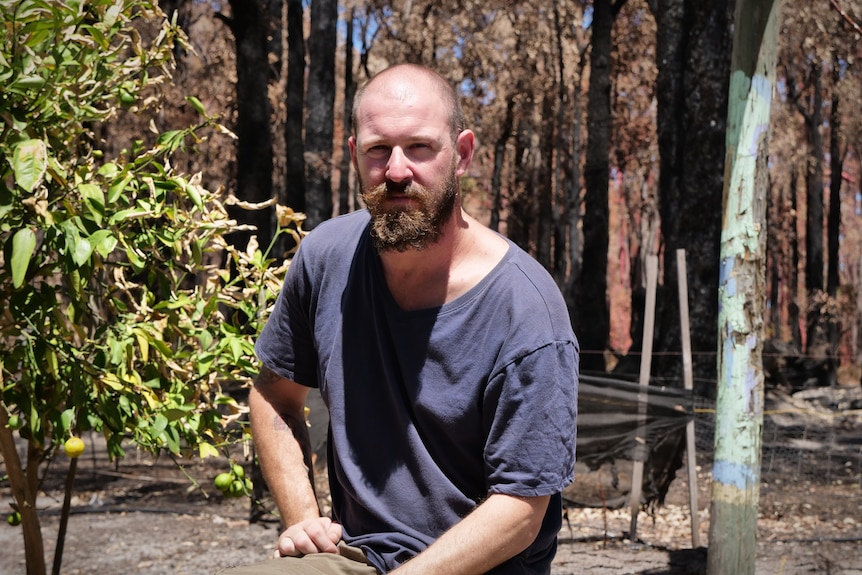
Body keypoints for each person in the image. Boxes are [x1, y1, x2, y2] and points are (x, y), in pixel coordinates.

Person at [220, 63, 578, 575]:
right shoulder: (326, 258)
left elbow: (520, 512)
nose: (395, 171)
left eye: (420, 148)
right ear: (353, 155)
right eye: (377, 150)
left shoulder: (526, 311)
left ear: (463, 154)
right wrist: (305, 524)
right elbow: (274, 393)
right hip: (357, 554)